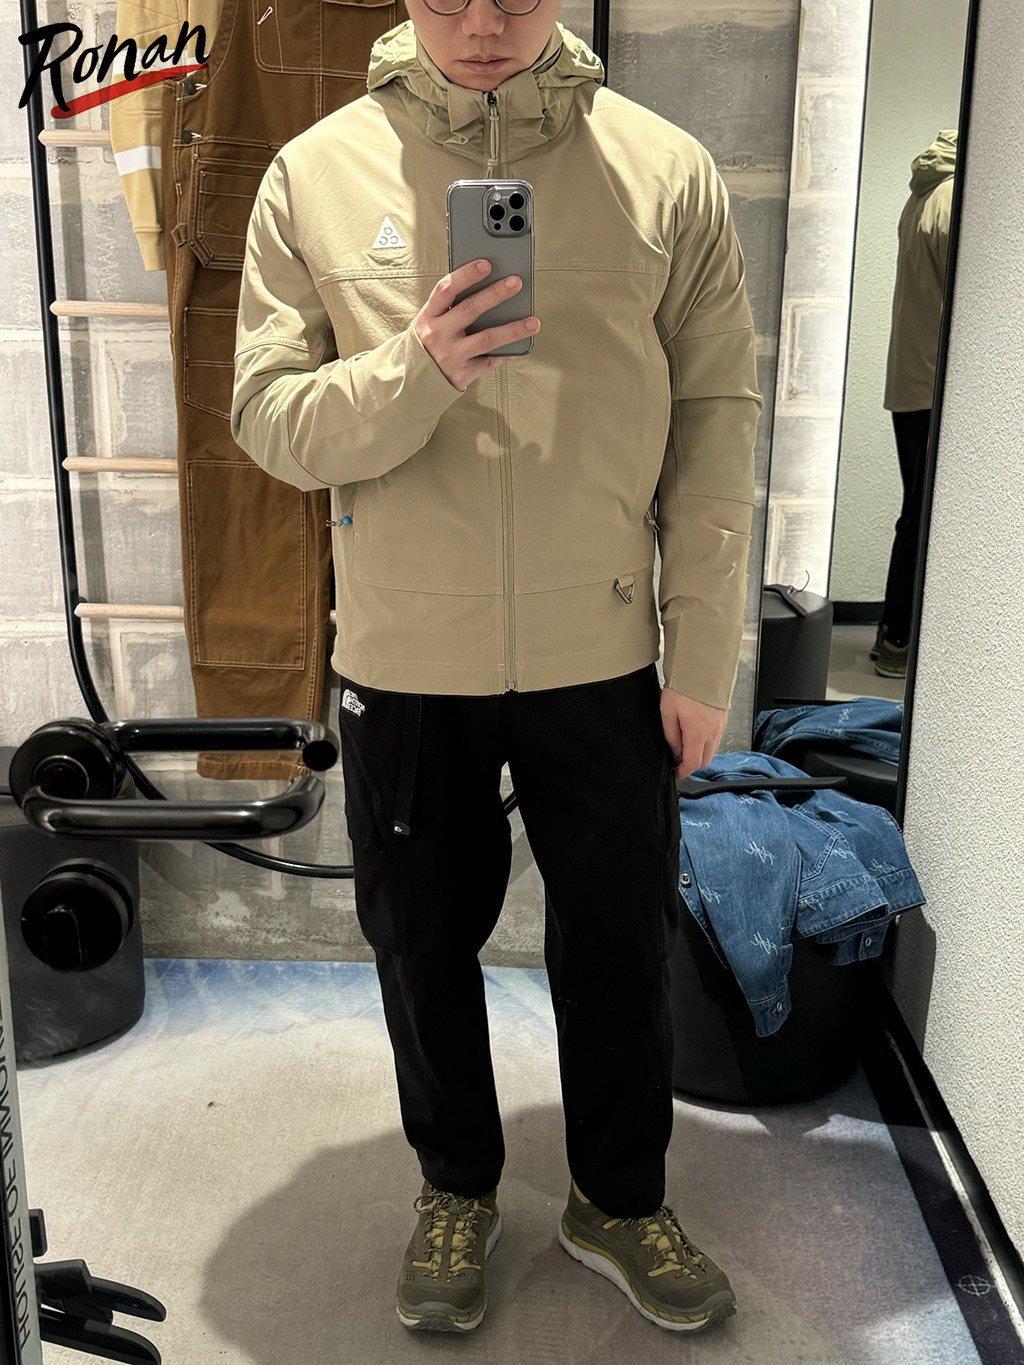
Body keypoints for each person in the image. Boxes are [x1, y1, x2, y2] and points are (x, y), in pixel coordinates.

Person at [231, 0, 761, 1337]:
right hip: (408, 650)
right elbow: (267, 419)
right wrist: (415, 371)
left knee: (621, 942)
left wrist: (703, 650)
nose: (479, 23)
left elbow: (716, 418)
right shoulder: (314, 172)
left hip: (605, 647)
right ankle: (455, 1184)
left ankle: (619, 1198)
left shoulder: (665, 171)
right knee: (420, 943)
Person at [874, 130, 957, 679]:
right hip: (933, 384)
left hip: (910, 381)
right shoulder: (952, 200)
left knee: (917, 510)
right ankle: (900, 640)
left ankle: (893, 634)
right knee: (926, 513)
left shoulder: (923, 195)